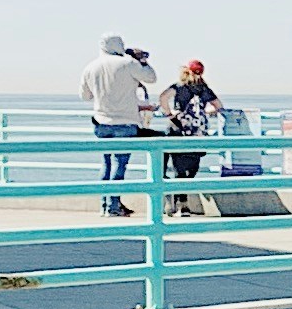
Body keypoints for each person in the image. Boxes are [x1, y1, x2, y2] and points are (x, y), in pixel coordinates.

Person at [82, 35, 158, 218]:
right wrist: (142, 61)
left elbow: (85, 95)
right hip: (125, 122)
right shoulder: (128, 64)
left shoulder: (91, 67)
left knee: (106, 163)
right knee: (119, 165)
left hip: (101, 122)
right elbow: (151, 78)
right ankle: (114, 206)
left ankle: (104, 205)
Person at [165, 58, 221, 214]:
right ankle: (182, 203)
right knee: (192, 168)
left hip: (178, 129)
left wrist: (169, 114)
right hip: (197, 133)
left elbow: (163, 97)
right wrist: (203, 113)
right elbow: (218, 106)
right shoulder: (204, 88)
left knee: (179, 169)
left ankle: (178, 203)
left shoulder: (178, 86)